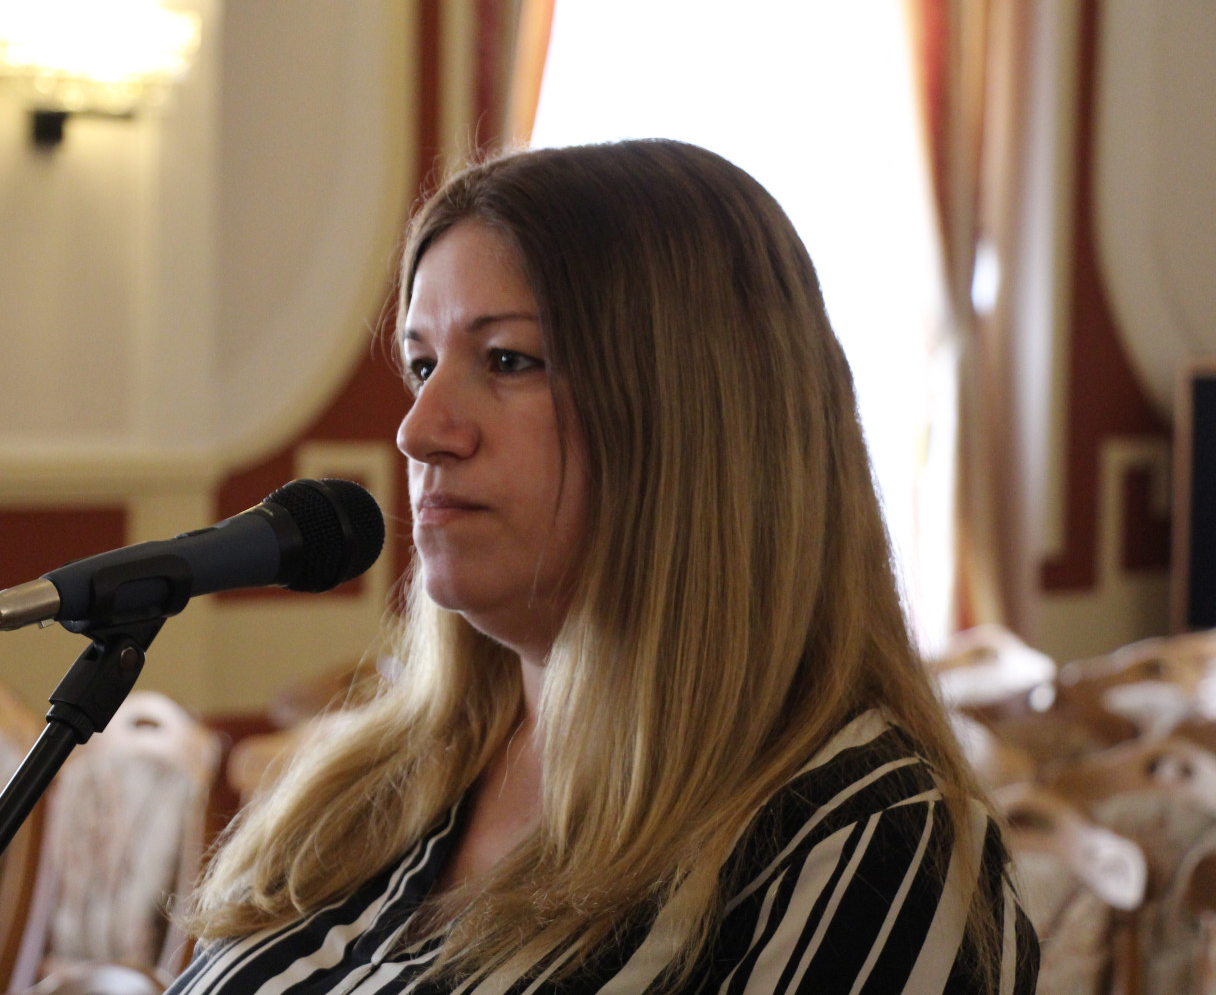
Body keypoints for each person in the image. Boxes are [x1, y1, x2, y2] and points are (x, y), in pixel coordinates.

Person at [170, 140, 1038, 994]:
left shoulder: (871, 846)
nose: (420, 430)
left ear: (697, 415)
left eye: (508, 361)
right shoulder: (366, 784)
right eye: (423, 365)